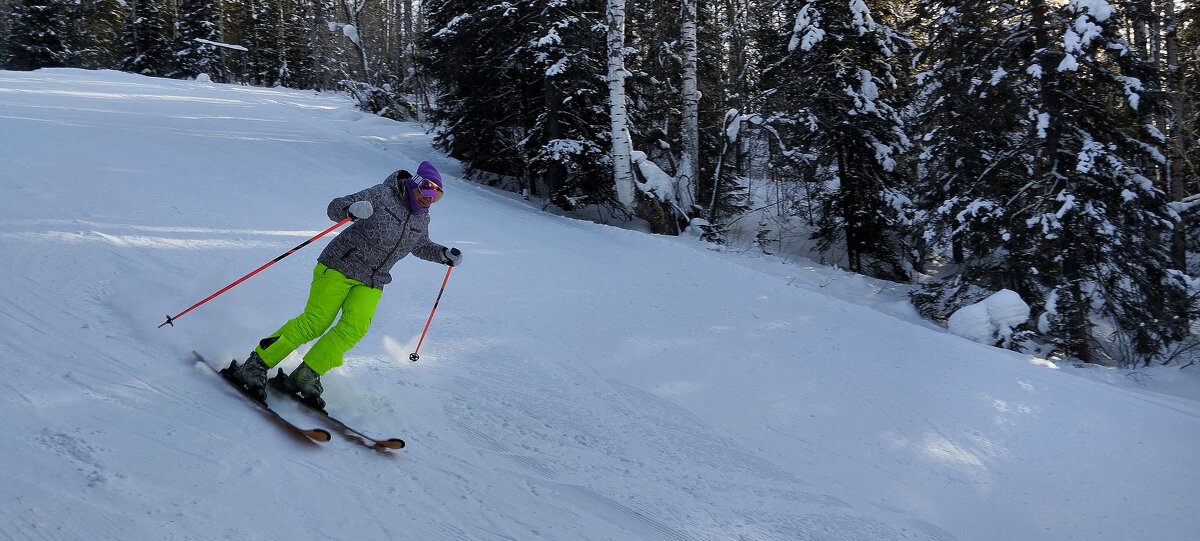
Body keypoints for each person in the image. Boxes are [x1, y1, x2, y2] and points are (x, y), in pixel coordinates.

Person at [228, 161, 462, 409]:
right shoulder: (383, 194)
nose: (430, 198)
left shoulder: (422, 218)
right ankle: (256, 365)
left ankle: (305, 375)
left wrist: (443, 254)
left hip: (373, 280)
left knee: (353, 329)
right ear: (415, 182)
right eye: (428, 189)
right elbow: (335, 208)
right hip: (340, 265)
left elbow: (421, 245)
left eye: (437, 194)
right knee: (315, 322)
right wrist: (352, 208)